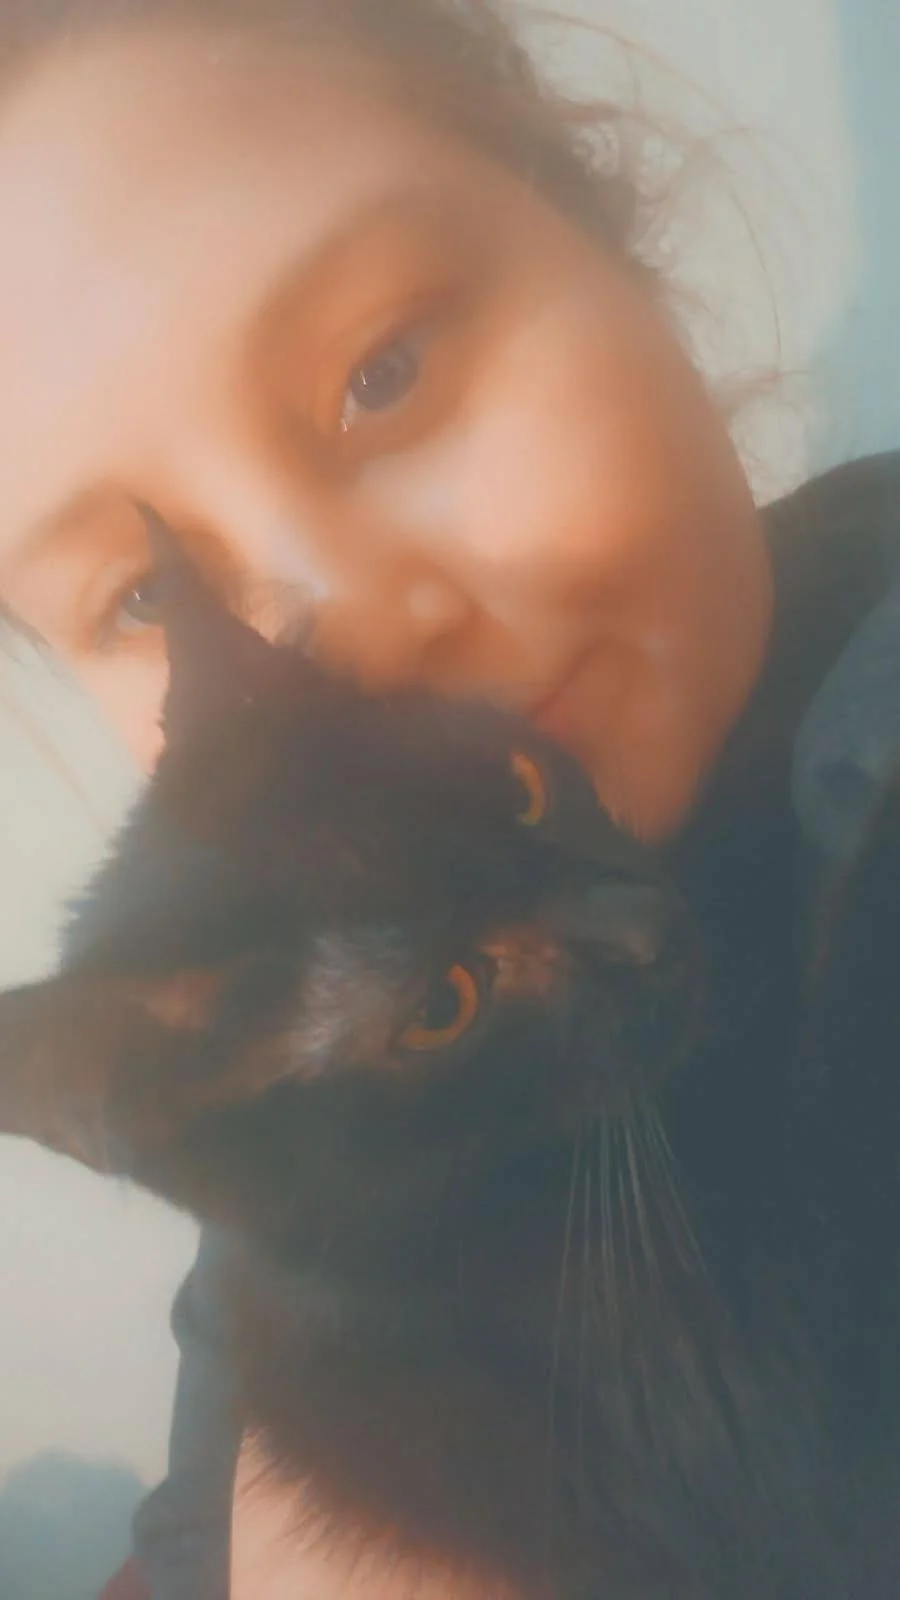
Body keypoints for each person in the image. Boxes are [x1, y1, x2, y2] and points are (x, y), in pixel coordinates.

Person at [0, 2, 896, 1596]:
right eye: (145, 596)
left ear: (608, 227)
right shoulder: (307, 1163)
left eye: (384, 369)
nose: (344, 617)